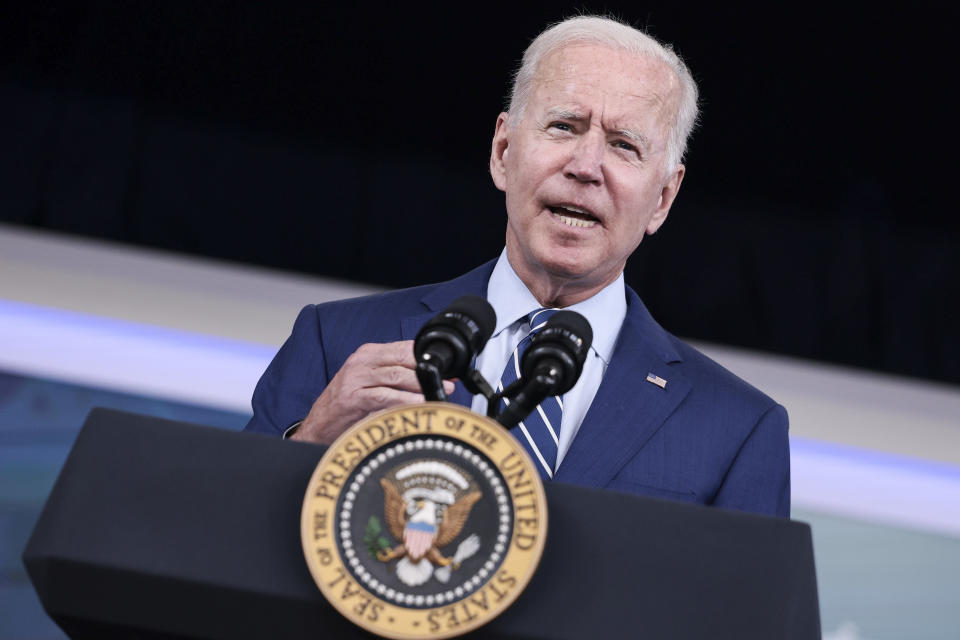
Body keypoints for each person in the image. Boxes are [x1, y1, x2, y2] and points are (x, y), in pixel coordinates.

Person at [244, 16, 790, 518]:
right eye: (563, 126)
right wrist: (310, 444)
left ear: (664, 198)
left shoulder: (737, 430)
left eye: (624, 145)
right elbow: (224, 538)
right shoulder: (334, 341)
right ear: (503, 150)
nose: (585, 167)